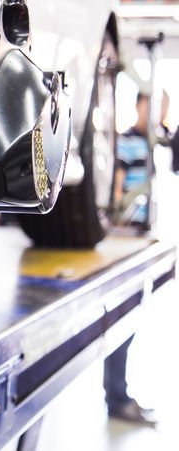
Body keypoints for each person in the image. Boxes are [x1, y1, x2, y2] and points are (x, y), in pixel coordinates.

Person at [104, 93, 159, 425]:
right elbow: (116, 189)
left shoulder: (150, 144)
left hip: (138, 239)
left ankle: (120, 395)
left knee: (129, 322)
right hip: (122, 239)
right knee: (121, 321)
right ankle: (117, 398)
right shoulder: (126, 142)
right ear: (137, 105)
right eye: (152, 106)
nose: (157, 114)